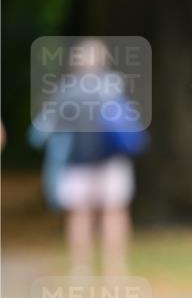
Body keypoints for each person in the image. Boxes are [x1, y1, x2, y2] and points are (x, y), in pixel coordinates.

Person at [29, 38, 148, 276]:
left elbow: (40, 132)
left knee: (80, 215)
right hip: (112, 161)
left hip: (77, 163)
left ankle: (81, 270)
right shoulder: (114, 87)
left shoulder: (66, 91)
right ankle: (116, 269)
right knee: (114, 213)